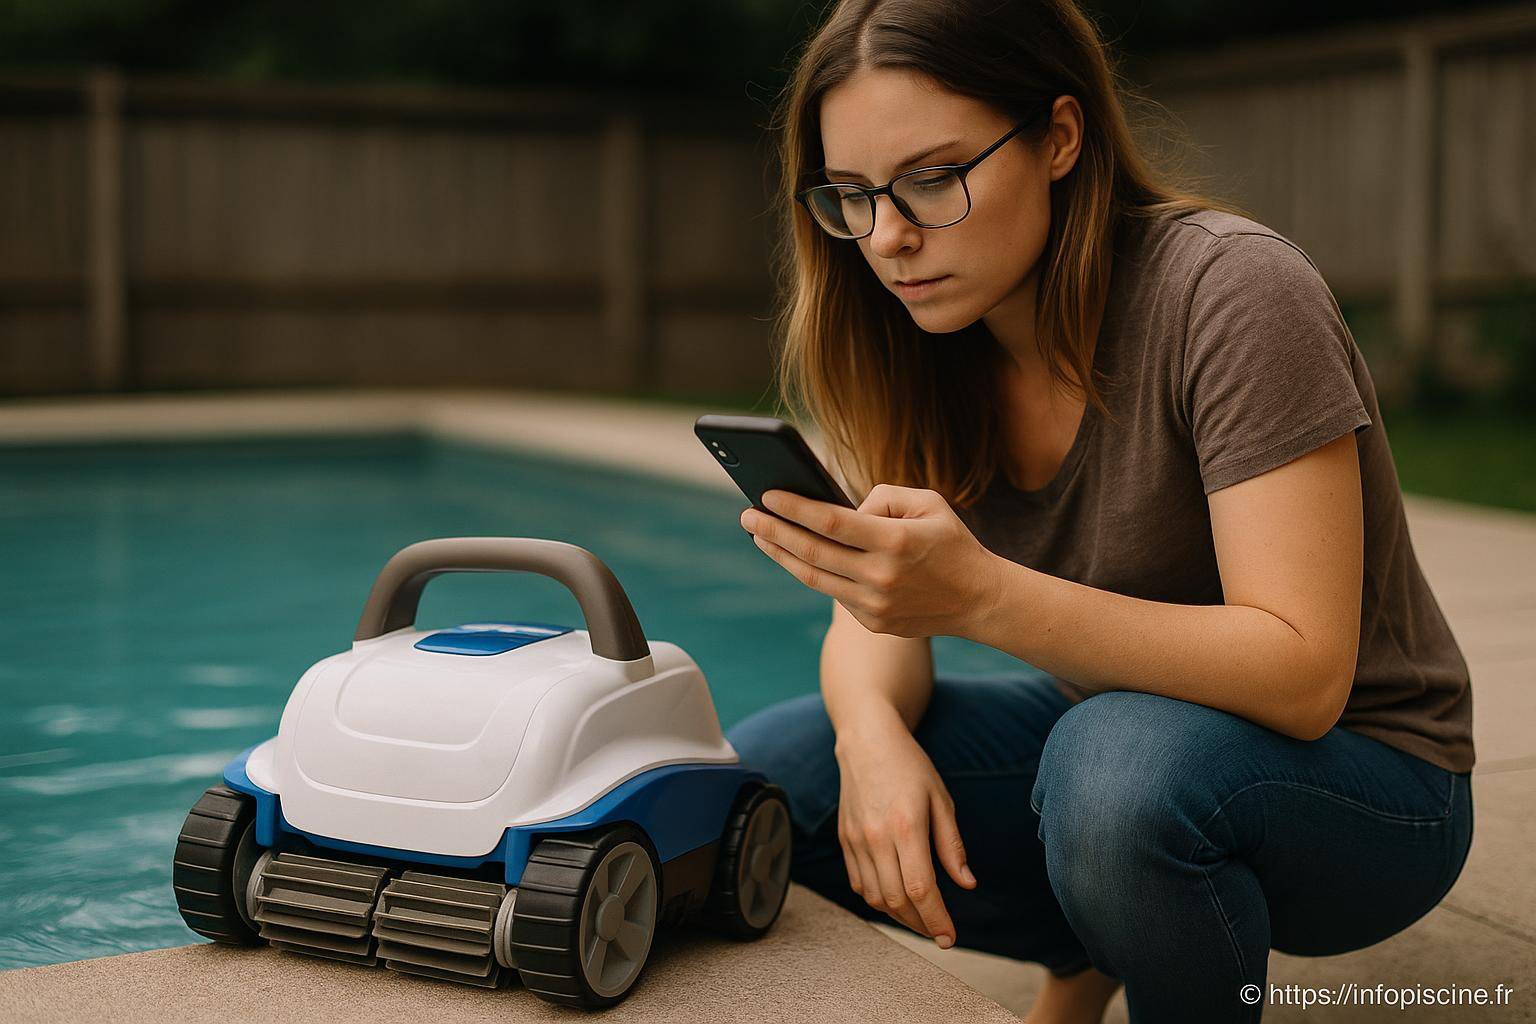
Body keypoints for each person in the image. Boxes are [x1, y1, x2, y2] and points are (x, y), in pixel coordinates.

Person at [723, 1, 1476, 1021]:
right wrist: (869, 741)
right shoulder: (928, 344)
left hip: (1371, 781)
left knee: (1113, 769)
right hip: (1123, 739)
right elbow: (871, 619)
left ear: (1060, 138)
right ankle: (1091, 947)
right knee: (776, 778)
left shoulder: (1231, 292)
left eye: (934, 178)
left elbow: (1302, 675)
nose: (888, 236)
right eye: (851, 195)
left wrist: (983, 597)